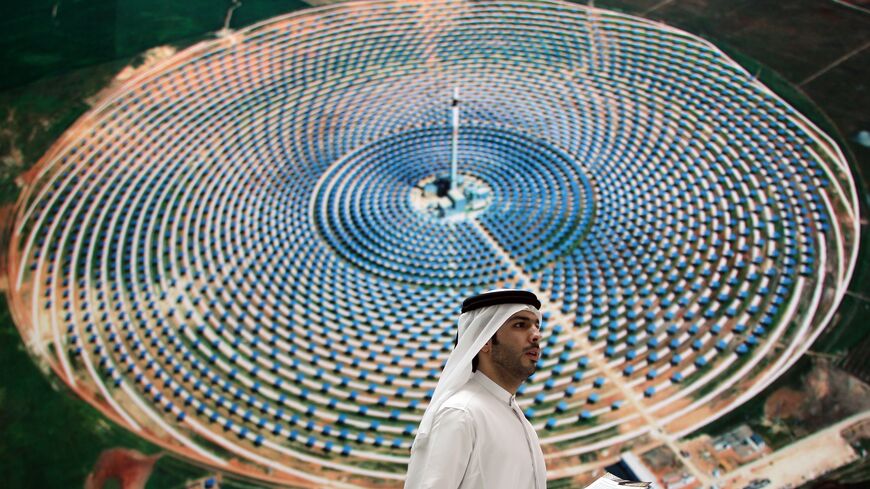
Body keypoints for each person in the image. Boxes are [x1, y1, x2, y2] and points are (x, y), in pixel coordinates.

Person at [405, 289, 547, 489]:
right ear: (485, 341)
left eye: (537, 326)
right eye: (520, 325)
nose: (536, 335)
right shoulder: (460, 413)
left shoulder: (515, 417)